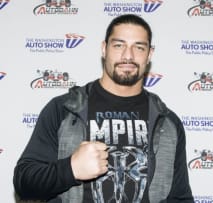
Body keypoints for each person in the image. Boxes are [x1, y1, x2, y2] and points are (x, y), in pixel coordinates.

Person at [13, 14, 194, 203]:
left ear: (149, 54)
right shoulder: (64, 109)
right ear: (104, 49)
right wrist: (71, 169)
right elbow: (24, 181)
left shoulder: (168, 122)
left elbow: (180, 198)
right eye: (119, 45)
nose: (128, 55)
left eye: (139, 47)